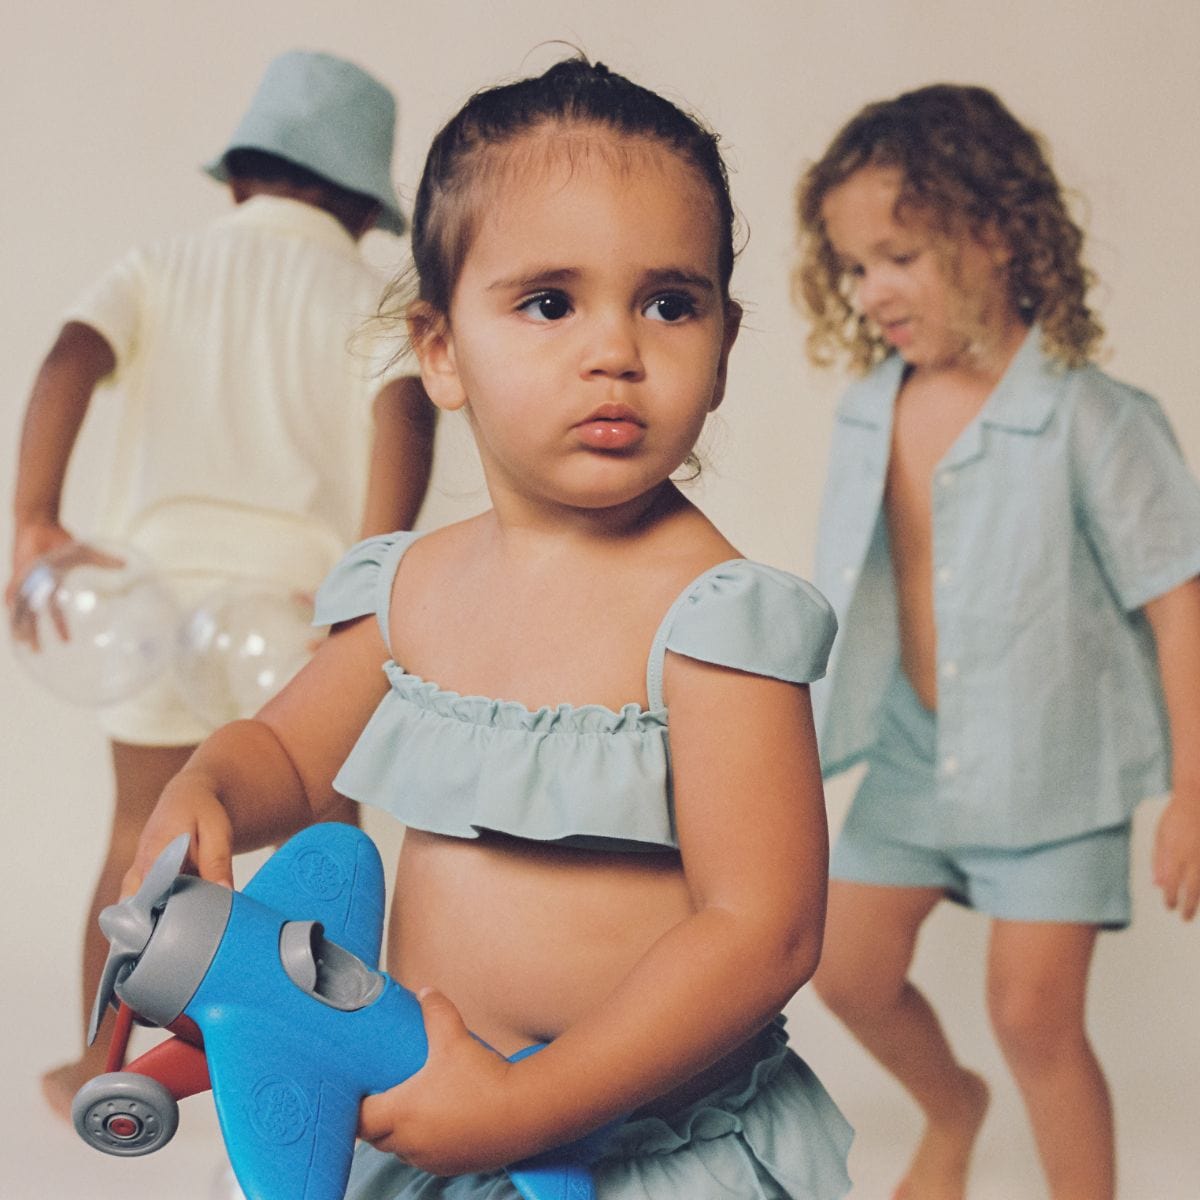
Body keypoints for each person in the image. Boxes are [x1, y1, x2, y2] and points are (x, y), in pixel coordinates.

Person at [125, 56, 853, 1199]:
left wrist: (524, 1109)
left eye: (669, 301)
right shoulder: (411, 588)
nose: (615, 348)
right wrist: (209, 790)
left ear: (722, 344)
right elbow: (283, 750)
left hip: (636, 1146)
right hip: (429, 1107)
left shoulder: (717, 623)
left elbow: (763, 932)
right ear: (440, 350)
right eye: (550, 302)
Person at [7, 49, 437, 1118]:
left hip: (146, 607)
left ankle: (100, 1062)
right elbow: (407, 416)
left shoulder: (162, 263)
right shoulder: (365, 296)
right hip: (297, 623)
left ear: (242, 174)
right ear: (359, 202)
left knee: (137, 839)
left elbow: (68, 355)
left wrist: (33, 518)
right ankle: (316, 1070)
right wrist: (369, 572)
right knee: (324, 848)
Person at [793, 83, 1200, 1200]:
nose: (872, 291)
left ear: (998, 233)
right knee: (846, 969)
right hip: (918, 753)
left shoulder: (1089, 416)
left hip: (1052, 769)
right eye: (855, 267)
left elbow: (1178, 598)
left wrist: (1195, 788)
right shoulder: (872, 410)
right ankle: (949, 1108)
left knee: (1034, 1019)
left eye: (899, 257)